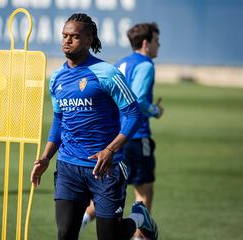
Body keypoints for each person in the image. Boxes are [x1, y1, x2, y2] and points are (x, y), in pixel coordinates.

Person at [30, 13, 158, 240]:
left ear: (89, 40)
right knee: (65, 233)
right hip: (69, 166)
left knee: (111, 236)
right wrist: (46, 157)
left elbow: (133, 113)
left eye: (74, 37)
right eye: (64, 36)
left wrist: (110, 150)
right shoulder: (57, 78)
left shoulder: (107, 73)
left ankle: (140, 219)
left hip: (106, 167)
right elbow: (60, 120)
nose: (67, 41)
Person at [81, 22, 163, 240]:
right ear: (146, 43)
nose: (159, 45)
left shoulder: (120, 63)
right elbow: (138, 100)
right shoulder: (146, 65)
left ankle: (79, 223)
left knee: (108, 193)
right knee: (144, 191)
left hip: (115, 137)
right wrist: (155, 110)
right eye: (156, 41)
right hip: (136, 136)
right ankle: (139, 237)